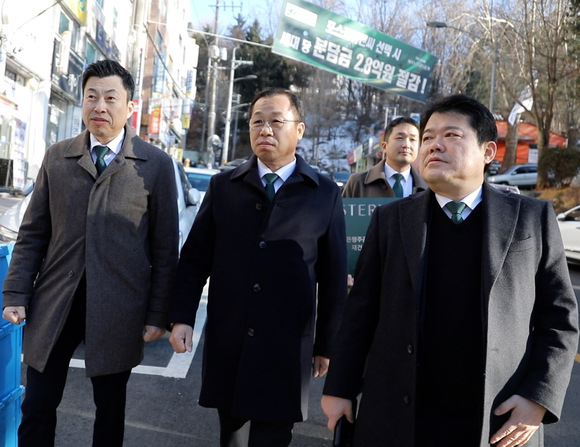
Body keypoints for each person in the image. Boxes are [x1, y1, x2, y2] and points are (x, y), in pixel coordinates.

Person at [321, 94, 579, 447]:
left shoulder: (530, 218)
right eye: (427, 137)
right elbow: (360, 314)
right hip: (401, 413)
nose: (433, 145)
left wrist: (538, 398)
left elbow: (560, 318)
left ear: (488, 152)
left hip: (497, 417)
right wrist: (339, 388)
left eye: (451, 136)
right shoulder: (392, 219)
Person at [1, 59, 179, 446]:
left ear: (130, 106)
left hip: (119, 307)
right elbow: (33, 233)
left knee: (109, 411)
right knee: (38, 405)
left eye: (111, 97)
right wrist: (15, 293)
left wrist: (157, 314)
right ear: (82, 103)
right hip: (55, 303)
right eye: (91, 96)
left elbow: (166, 250)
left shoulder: (156, 166)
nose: (100, 105)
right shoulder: (57, 157)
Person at [169, 87, 347, 447]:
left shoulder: (324, 193)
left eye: (276, 122)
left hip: (286, 347)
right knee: (232, 437)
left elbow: (332, 277)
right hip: (231, 338)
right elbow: (194, 259)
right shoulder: (224, 187)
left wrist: (327, 344)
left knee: (274, 439)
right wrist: (182, 317)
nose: (265, 130)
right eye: (257, 122)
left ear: (299, 130)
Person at [342, 116, 427, 198]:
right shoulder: (358, 182)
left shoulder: (428, 187)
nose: (406, 145)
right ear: (384, 146)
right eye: (400, 138)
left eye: (412, 139)